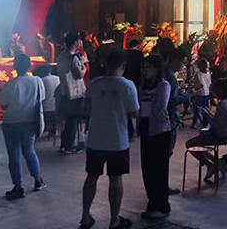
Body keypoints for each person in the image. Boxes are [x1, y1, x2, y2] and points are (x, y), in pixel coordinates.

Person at [80, 50, 139, 229]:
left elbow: (87, 108)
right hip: (117, 140)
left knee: (91, 177)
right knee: (115, 179)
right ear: (123, 66)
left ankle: (85, 217)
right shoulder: (128, 86)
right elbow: (135, 112)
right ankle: (114, 220)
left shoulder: (95, 84)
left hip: (95, 139)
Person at [0, 54, 46, 200]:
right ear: (29, 66)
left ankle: (18, 187)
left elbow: (3, 105)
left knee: (14, 155)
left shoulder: (10, 85)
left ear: (14, 67)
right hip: (30, 122)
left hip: (11, 123)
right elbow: (42, 98)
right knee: (29, 150)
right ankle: (38, 180)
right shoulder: (37, 81)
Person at [138, 54, 171, 220]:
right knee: (147, 169)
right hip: (145, 127)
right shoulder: (143, 86)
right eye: (144, 67)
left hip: (159, 130)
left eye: (148, 67)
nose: (145, 71)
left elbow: (160, 107)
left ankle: (162, 205)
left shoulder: (164, 85)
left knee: (159, 169)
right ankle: (152, 203)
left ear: (157, 69)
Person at [185, 79, 227, 182]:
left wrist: (208, 117)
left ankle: (210, 163)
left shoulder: (222, 105)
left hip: (220, 136)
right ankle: (216, 161)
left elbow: (216, 125)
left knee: (190, 144)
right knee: (199, 142)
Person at [166, 47, 191, 195]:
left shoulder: (162, 74)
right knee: (167, 153)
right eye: (182, 63)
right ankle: (164, 184)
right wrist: (188, 95)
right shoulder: (171, 78)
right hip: (170, 118)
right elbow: (173, 100)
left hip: (162, 120)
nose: (182, 66)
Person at [56, 32, 87, 154]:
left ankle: (64, 145)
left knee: (69, 120)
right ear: (75, 42)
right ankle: (69, 146)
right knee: (73, 120)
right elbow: (79, 75)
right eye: (79, 41)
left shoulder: (61, 56)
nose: (80, 43)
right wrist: (84, 67)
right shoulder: (73, 58)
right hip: (74, 92)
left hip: (63, 90)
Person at [33, 64, 59, 138]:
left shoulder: (42, 81)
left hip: (46, 110)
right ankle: (53, 129)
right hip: (58, 108)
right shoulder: (58, 78)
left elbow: (39, 97)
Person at [191, 58, 212, 129]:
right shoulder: (208, 74)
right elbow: (209, 83)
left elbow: (193, 82)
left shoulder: (198, 74)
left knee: (197, 108)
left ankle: (195, 123)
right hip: (207, 92)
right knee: (205, 108)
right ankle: (206, 122)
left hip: (200, 92)